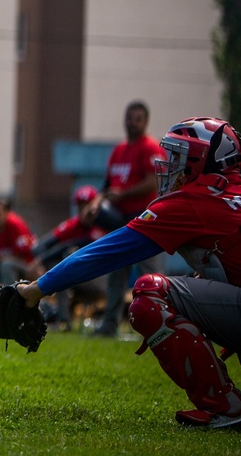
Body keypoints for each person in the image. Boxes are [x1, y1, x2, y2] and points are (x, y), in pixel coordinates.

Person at [17, 117, 241, 429]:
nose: (167, 166)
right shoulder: (231, 192)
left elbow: (103, 253)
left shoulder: (194, 201)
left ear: (199, 161)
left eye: (177, 157)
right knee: (203, 282)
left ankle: (226, 407)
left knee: (151, 292)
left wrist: (37, 288)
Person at [82, 100, 168, 336]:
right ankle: (110, 324)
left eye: (138, 118)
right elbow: (107, 186)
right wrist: (96, 203)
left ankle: (164, 324)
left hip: (145, 219)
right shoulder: (119, 150)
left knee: (152, 275)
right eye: (130, 117)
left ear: (145, 121)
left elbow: (153, 183)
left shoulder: (150, 147)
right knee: (116, 273)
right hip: (121, 220)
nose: (132, 122)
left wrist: (122, 194)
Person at [29, 185, 106, 329]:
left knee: (67, 261)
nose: (83, 210)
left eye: (86, 205)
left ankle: (63, 320)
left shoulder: (103, 225)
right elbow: (41, 246)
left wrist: (41, 260)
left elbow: (77, 243)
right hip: (80, 279)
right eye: (80, 206)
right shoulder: (74, 224)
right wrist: (40, 263)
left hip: (102, 280)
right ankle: (62, 321)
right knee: (59, 265)